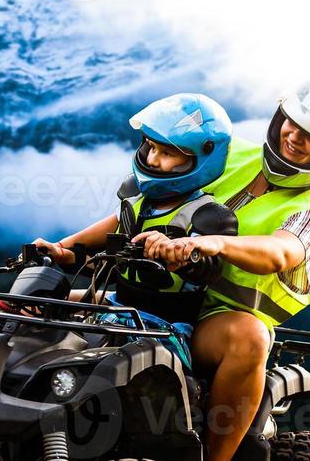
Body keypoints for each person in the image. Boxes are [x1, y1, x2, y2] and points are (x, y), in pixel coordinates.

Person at [136, 75, 310, 461]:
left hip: (217, 321)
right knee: (47, 304)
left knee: (251, 337)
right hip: (155, 292)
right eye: (292, 122)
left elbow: (282, 251)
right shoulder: (229, 155)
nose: (294, 137)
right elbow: (153, 194)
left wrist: (215, 245)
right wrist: (68, 248)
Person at [31, 93, 237, 327]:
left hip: (163, 328)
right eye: (151, 147)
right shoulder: (138, 201)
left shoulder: (210, 215)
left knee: (109, 365)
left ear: (202, 158)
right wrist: (62, 254)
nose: (152, 160)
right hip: (117, 311)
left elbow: (209, 270)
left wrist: (181, 254)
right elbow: (113, 264)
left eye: (167, 153)